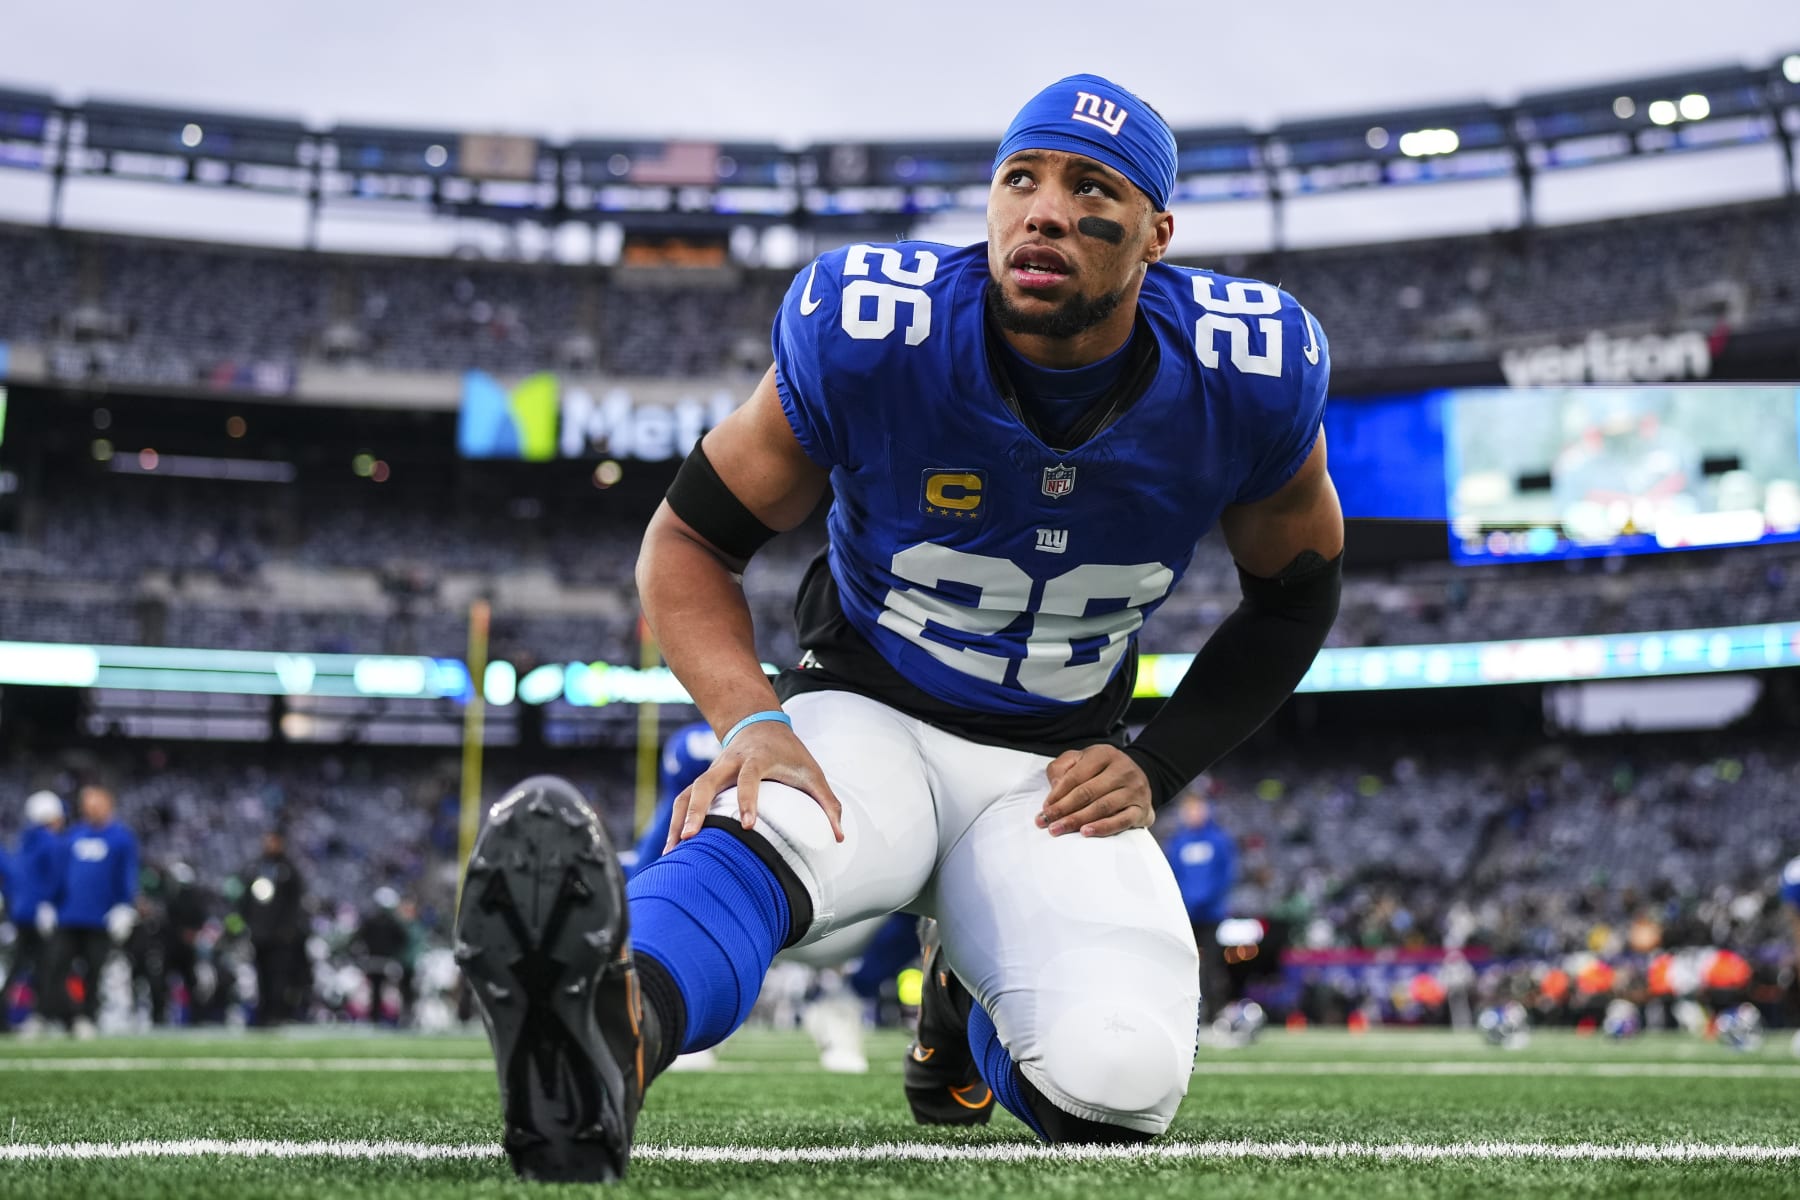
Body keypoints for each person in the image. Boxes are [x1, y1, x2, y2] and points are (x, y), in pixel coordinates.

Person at [457, 72, 1342, 1182]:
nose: (1048, 209)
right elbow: (685, 544)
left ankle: (964, 1008)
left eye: (1092, 187)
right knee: (776, 820)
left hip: (1054, 772)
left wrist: (1157, 763)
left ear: (1157, 233)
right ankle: (607, 1035)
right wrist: (751, 718)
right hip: (868, 713)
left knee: (1119, 1085)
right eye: (1021, 178)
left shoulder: (1245, 373)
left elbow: (1298, 593)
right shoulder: (880, 332)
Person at [45, 785, 138, 1038]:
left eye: (96, 802)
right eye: (87, 802)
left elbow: (127, 875)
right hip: (68, 915)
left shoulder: (121, 838)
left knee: (94, 971)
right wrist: (50, 903)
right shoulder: (73, 835)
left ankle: (87, 1017)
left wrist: (124, 906)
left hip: (100, 918)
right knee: (55, 967)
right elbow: (60, 874)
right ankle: (60, 1016)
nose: (91, 807)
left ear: (108, 804)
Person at [1165, 792, 1239, 1022]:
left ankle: (1214, 1012)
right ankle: (1185, 1014)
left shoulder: (1219, 840)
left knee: (1213, 966)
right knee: (1183, 964)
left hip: (1211, 914)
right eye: (1189, 810)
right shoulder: (1178, 843)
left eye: (1197, 809)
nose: (1193, 814)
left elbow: (1226, 874)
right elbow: (1171, 876)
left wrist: (1208, 898)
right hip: (1185, 915)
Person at [1, 792, 66, 1034]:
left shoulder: (23, 840)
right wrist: (48, 904)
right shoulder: (51, 842)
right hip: (42, 914)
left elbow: (13, 878)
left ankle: (6, 1016)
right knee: (49, 966)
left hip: (20, 913)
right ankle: (47, 1015)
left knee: (19, 966)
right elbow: (57, 878)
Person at [239, 830, 308, 1026]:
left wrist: (288, 930)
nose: (269, 845)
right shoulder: (256, 868)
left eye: (273, 841)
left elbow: (295, 903)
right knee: (261, 976)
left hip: (280, 936)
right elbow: (245, 900)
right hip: (259, 935)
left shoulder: (288, 869)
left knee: (279, 976)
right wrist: (248, 926)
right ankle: (262, 1015)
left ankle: (277, 1014)